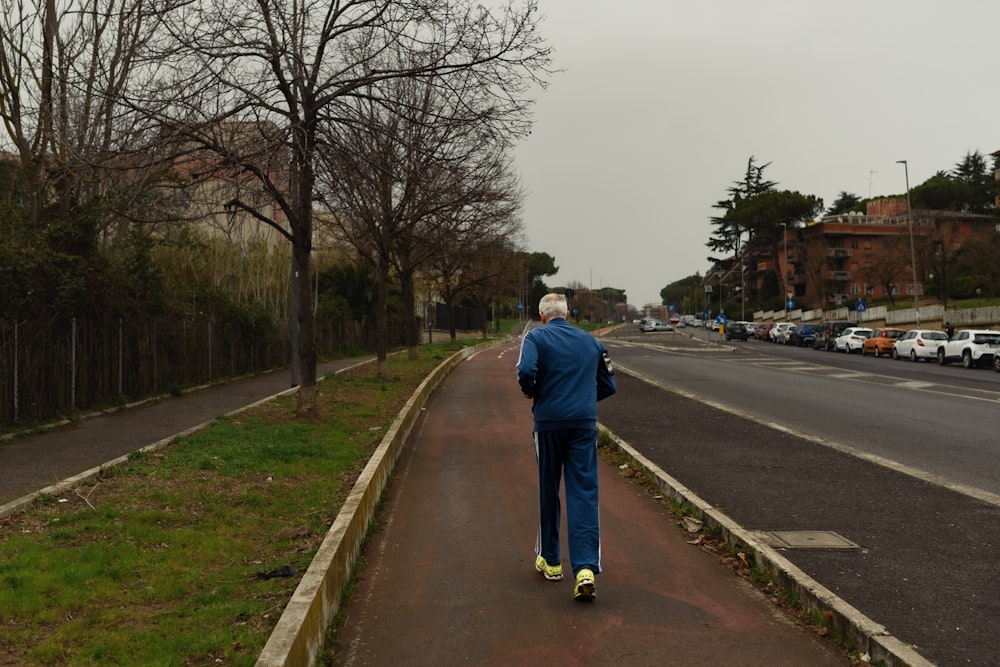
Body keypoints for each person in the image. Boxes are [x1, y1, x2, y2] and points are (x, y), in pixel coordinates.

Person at [516, 293, 617, 601]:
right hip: (583, 424)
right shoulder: (591, 342)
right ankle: (585, 569)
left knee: (549, 488)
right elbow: (609, 384)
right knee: (584, 492)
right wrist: (584, 402)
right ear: (568, 314)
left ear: (542, 316)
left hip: (548, 424)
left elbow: (525, 372)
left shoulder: (535, 337)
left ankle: (551, 560)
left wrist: (534, 394)